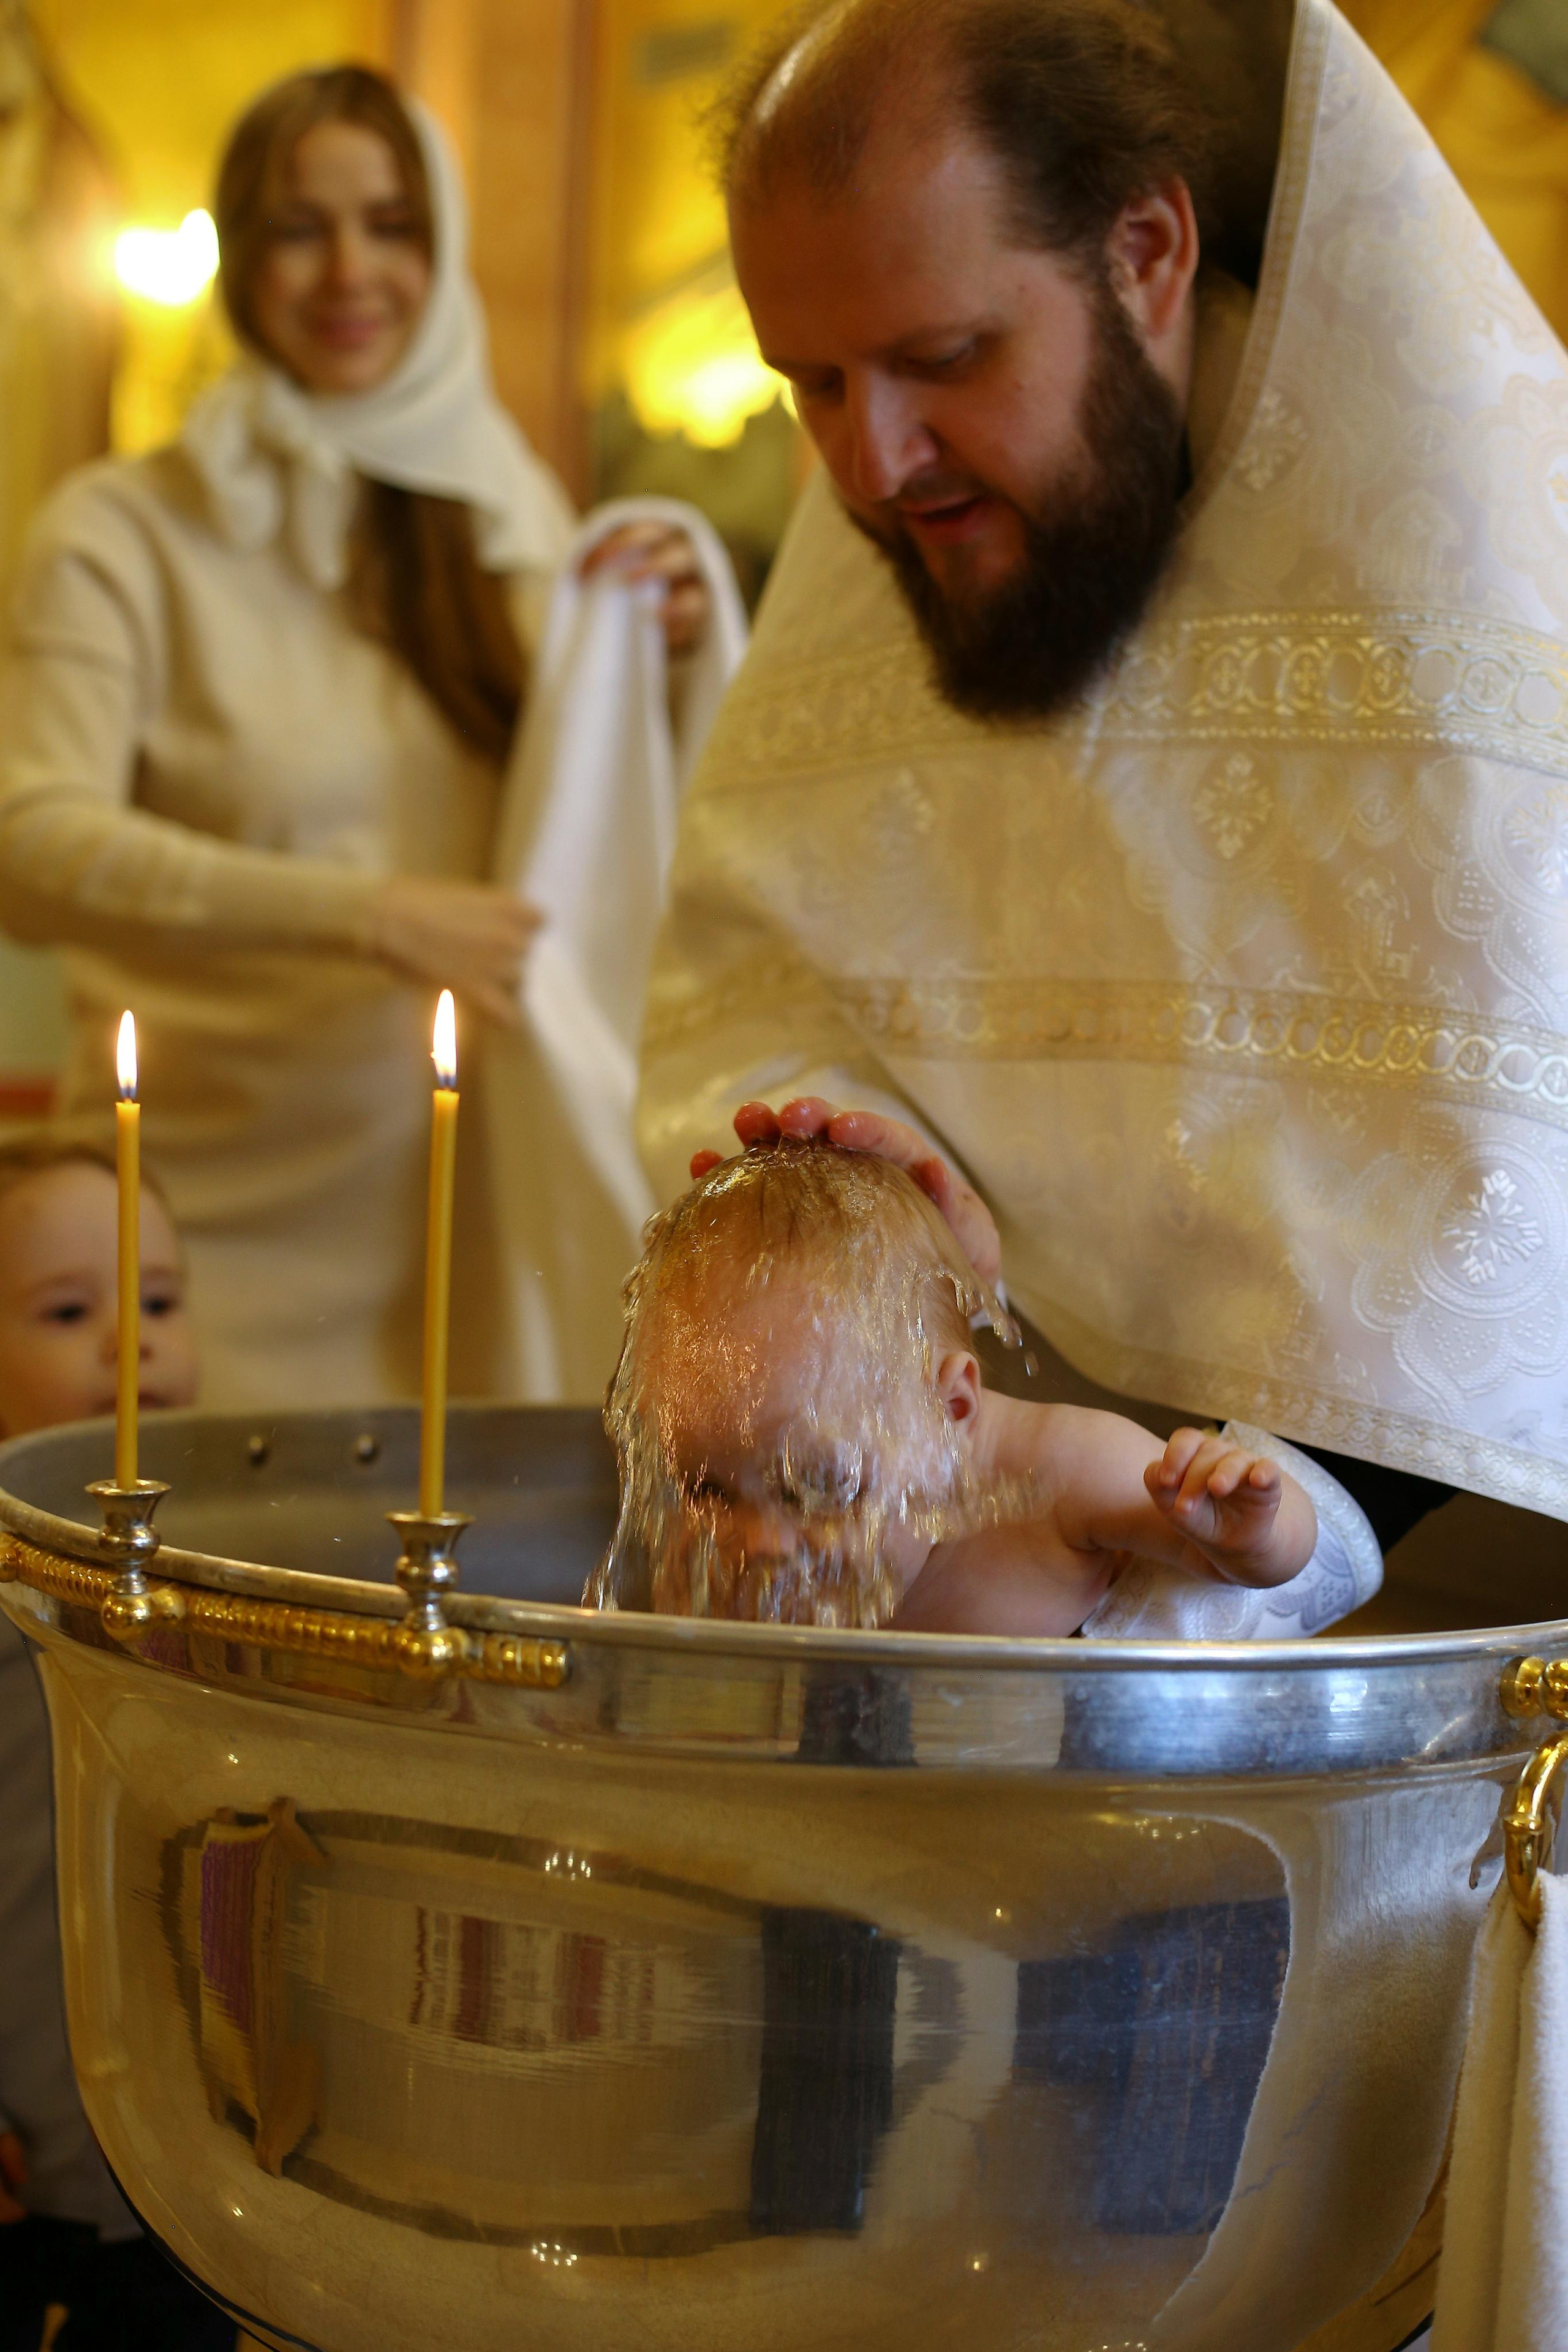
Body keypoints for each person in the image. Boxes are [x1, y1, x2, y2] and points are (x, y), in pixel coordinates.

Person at [638, 0, 1568, 1550]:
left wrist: (1235, 1526)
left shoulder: (1483, 603)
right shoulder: (913, 527)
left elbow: (1490, 1256)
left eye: (944, 357)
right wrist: (882, 1231)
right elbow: (760, 1009)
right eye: (808, 382)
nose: (869, 467)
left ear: (1142, 252)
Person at [0, 64, 727, 1413]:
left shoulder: (511, 522)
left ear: (438, 249)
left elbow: (611, 841)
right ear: (236, 252)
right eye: (297, 226)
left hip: (451, 1227)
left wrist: (659, 661)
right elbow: (28, 847)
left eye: (391, 223)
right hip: (182, 1248)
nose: (348, 269)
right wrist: (371, 913)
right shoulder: (124, 532)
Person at [593, 1137, 1381, 1636]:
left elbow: (1247, 1572)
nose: (756, 1543)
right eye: (705, 1486)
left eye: (816, 1485)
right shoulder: (710, 1544)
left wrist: (1251, 1532)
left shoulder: (1051, 1473)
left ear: (952, 1409)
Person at [0, 1142, 221, 2352]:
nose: (129, 1343)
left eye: (160, 1302)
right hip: (28, 2160)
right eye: (69, 1311)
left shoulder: (232, 1569)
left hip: (183, 2165)